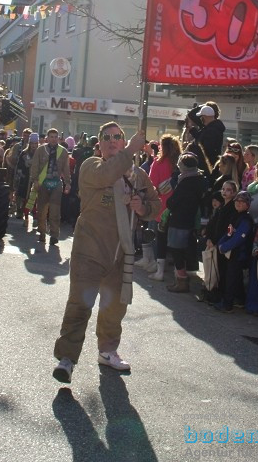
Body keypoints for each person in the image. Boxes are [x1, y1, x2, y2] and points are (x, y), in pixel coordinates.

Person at [52, 123, 159, 384]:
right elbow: (108, 175)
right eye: (107, 138)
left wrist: (142, 207)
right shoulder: (92, 165)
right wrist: (132, 150)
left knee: (114, 308)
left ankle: (107, 352)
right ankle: (67, 359)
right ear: (99, 144)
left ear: (123, 141)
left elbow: (156, 204)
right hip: (89, 251)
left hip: (120, 252)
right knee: (79, 305)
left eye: (118, 137)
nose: (112, 141)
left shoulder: (136, 175)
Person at [164, 153, 208, 293]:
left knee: (176, 250)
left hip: (180, 220)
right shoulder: (200, 179)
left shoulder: (185, 181)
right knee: (184, 250)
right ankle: (181, 279)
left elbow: (172, 202)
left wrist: (169, 202)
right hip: (192, 221)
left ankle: (181, 281)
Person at [143, 134, 181, 276]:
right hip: (174, 205)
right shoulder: (177, 163)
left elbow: (151, 183)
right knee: (168, 238)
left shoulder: (159, 163)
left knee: (155, 236)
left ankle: (155, 264)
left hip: (159, 203)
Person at [28, 128, 70, 246]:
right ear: (47, 138)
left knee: (55, 211)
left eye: (55, 137)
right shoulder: (41, 150)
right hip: (43, 183)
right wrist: (35, 180)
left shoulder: (63, 151)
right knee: (41, 211)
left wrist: (68, 183)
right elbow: (35, 166)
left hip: (56, 183)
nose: (53, 139)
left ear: (58, 138)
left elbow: (66, 169)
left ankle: (54, 235)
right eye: (51, 137)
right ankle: (42, 232)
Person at [215, 191, 255, 312]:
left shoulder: (246, 220)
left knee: (231, 278)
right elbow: (229, 233)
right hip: (233, 253)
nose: (238, 203)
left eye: (242, 201)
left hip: (240, 254)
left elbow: (238, 238)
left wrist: (224, 247)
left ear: (247, 205)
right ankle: (240, 300)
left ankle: (227, 305)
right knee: (235, 278)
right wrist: (220, 243)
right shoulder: (236, 217)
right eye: (237, 201)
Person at [182, 103, 224, 179]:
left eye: (201, 117)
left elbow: (205, 148)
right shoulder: (209, 128)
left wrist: (194, 147)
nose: (200, 119)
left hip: (207, 166)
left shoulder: (212, 130)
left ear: (205, 117)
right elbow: (201, 140)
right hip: (206, 164)